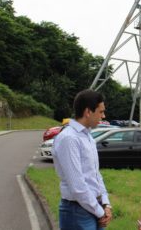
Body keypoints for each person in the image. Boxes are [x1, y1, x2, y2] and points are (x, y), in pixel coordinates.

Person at [52, 89, 112, 230]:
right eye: (101, 111)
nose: (103, 116)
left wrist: (106, 204)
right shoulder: (69, 138)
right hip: (77, 211)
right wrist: (100, 212)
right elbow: (77, 186)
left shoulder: (88, 137)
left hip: (94, 206)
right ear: (88, 112)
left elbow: (96, 175)